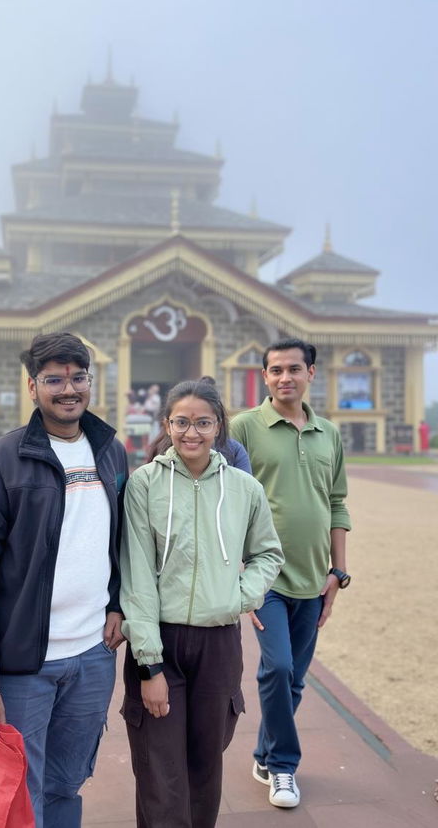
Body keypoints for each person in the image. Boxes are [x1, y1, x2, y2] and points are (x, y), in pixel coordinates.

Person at [0, 332, 130, 828]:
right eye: (54, 379)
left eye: (78, 378)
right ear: (34, 387)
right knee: (18, 793)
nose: (67, 389)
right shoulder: (2, 460)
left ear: (90, 383)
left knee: (65, 784)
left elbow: (119, 541)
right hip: (26, 665)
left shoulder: (110, 451)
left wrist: (117, 603)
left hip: (93, 657)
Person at [120, 378, 284, 828]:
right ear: (166, 423)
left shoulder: (244, 489)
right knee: (160, 771)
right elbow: (136, 576)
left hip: (218, 645)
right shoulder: (144, 485)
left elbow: (269, 553)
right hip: (160, 642)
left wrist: (241, 596)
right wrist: (149, 666)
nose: (191, 433)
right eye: (181, 422)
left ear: (219, 427)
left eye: (203, 422)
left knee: (205, 765)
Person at [230, 339, 352, 809]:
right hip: (267, 578)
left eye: (294, 369)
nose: (285, 377)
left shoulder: (329, 434)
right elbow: (226, 498)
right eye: (276, 370)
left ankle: (264, 753)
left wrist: (338, 573)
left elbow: (337, 503)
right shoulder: (244, 428)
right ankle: (283, 767)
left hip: (315, 577)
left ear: (311, 374)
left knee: (295, 679)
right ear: (264, 376)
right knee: (277, 667)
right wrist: (243, 572)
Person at [198, 375, 252, 473]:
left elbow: (247, 486)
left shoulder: (234, 450)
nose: (193, 432)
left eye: (204, 423)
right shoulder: (168, 453)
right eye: (183, 422)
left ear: (218, 424)